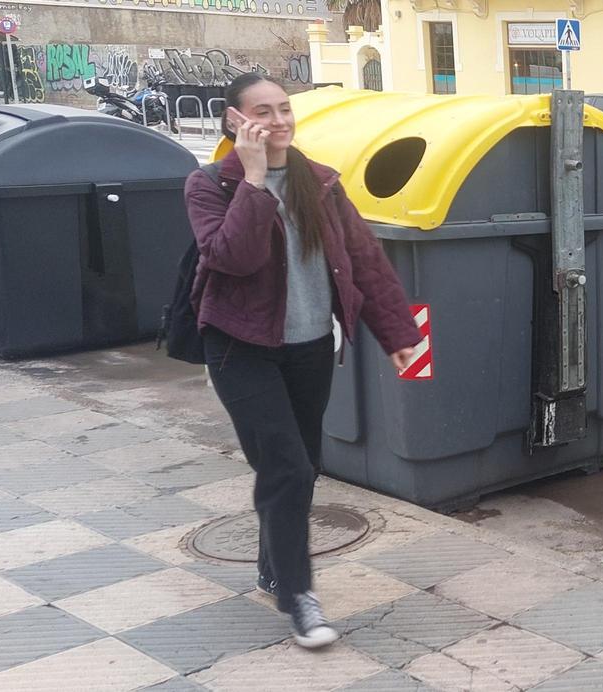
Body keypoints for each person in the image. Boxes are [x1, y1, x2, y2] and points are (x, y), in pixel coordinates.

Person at [184, 73, 421, 649]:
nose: (280, 121)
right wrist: (257, 180)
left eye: (285, 109)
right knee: (287, 466)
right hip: (240, 346)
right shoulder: (209, 184)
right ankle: (298, 594)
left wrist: (397, 333)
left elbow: (364, 261)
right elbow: (232, 257)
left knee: (299, 465)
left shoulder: (321, 183)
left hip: (311, 347)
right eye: (262, 111)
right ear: (234, 121)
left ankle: (272, 565)